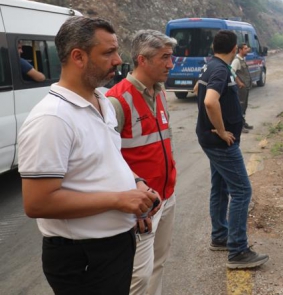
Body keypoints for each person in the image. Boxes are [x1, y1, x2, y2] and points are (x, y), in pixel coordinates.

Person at [17, 16, 158, 295]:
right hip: (83, 258)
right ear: (78, 57)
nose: (118, 60)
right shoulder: (52, 118)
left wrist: (136, 184)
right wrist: (120, 199)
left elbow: (107, 158)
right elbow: (37, 203)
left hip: (113, 246)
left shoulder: (101, 100)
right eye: (108, 53)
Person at [106, 30, 177, 295]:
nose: (171, 64)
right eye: (165, 58)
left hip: (167, 196)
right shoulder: (116, 100)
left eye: (171, 57)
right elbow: (107, 159)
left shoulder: (159, 92)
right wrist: (134, 202)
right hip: (142, 206)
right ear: (142, 60)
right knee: (138, 278)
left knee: (158, 265)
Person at [195, 29, 268, 269]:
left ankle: (220, 236)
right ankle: (237, 251)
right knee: (241, 191)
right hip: (221, 142)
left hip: (211, 139)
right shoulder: (218, 69)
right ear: (234, 48)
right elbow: (209, 100)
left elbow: (199, 89)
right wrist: (222, 129)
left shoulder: (212, 65)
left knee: (220, 186)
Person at [231, 43, 253, 133]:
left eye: (247, 48)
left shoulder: (242, 59)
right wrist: (239, 82)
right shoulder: (236, 61)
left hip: (245, 88)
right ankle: (239, 126)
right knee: (240, 107)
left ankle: (243, 123)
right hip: (240, 88)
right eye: (245, 48)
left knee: (244, 106)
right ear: (240, 50)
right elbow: (231, 71)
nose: (247, 50)